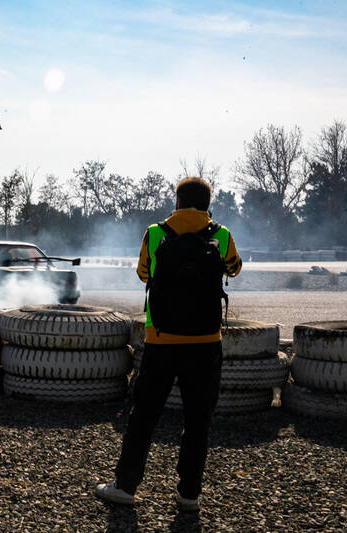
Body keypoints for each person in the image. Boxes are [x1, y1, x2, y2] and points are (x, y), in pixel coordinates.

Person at [95, 177, 242, 512]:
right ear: (207, 204)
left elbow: (144, 273)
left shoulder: (155, 232)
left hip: (161, 338)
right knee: (198, 419)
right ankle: (189, 494)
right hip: (206, 341)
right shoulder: (222, 234)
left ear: (177, 201)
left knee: (144, 414)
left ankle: (125, 486)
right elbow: (234, 269)